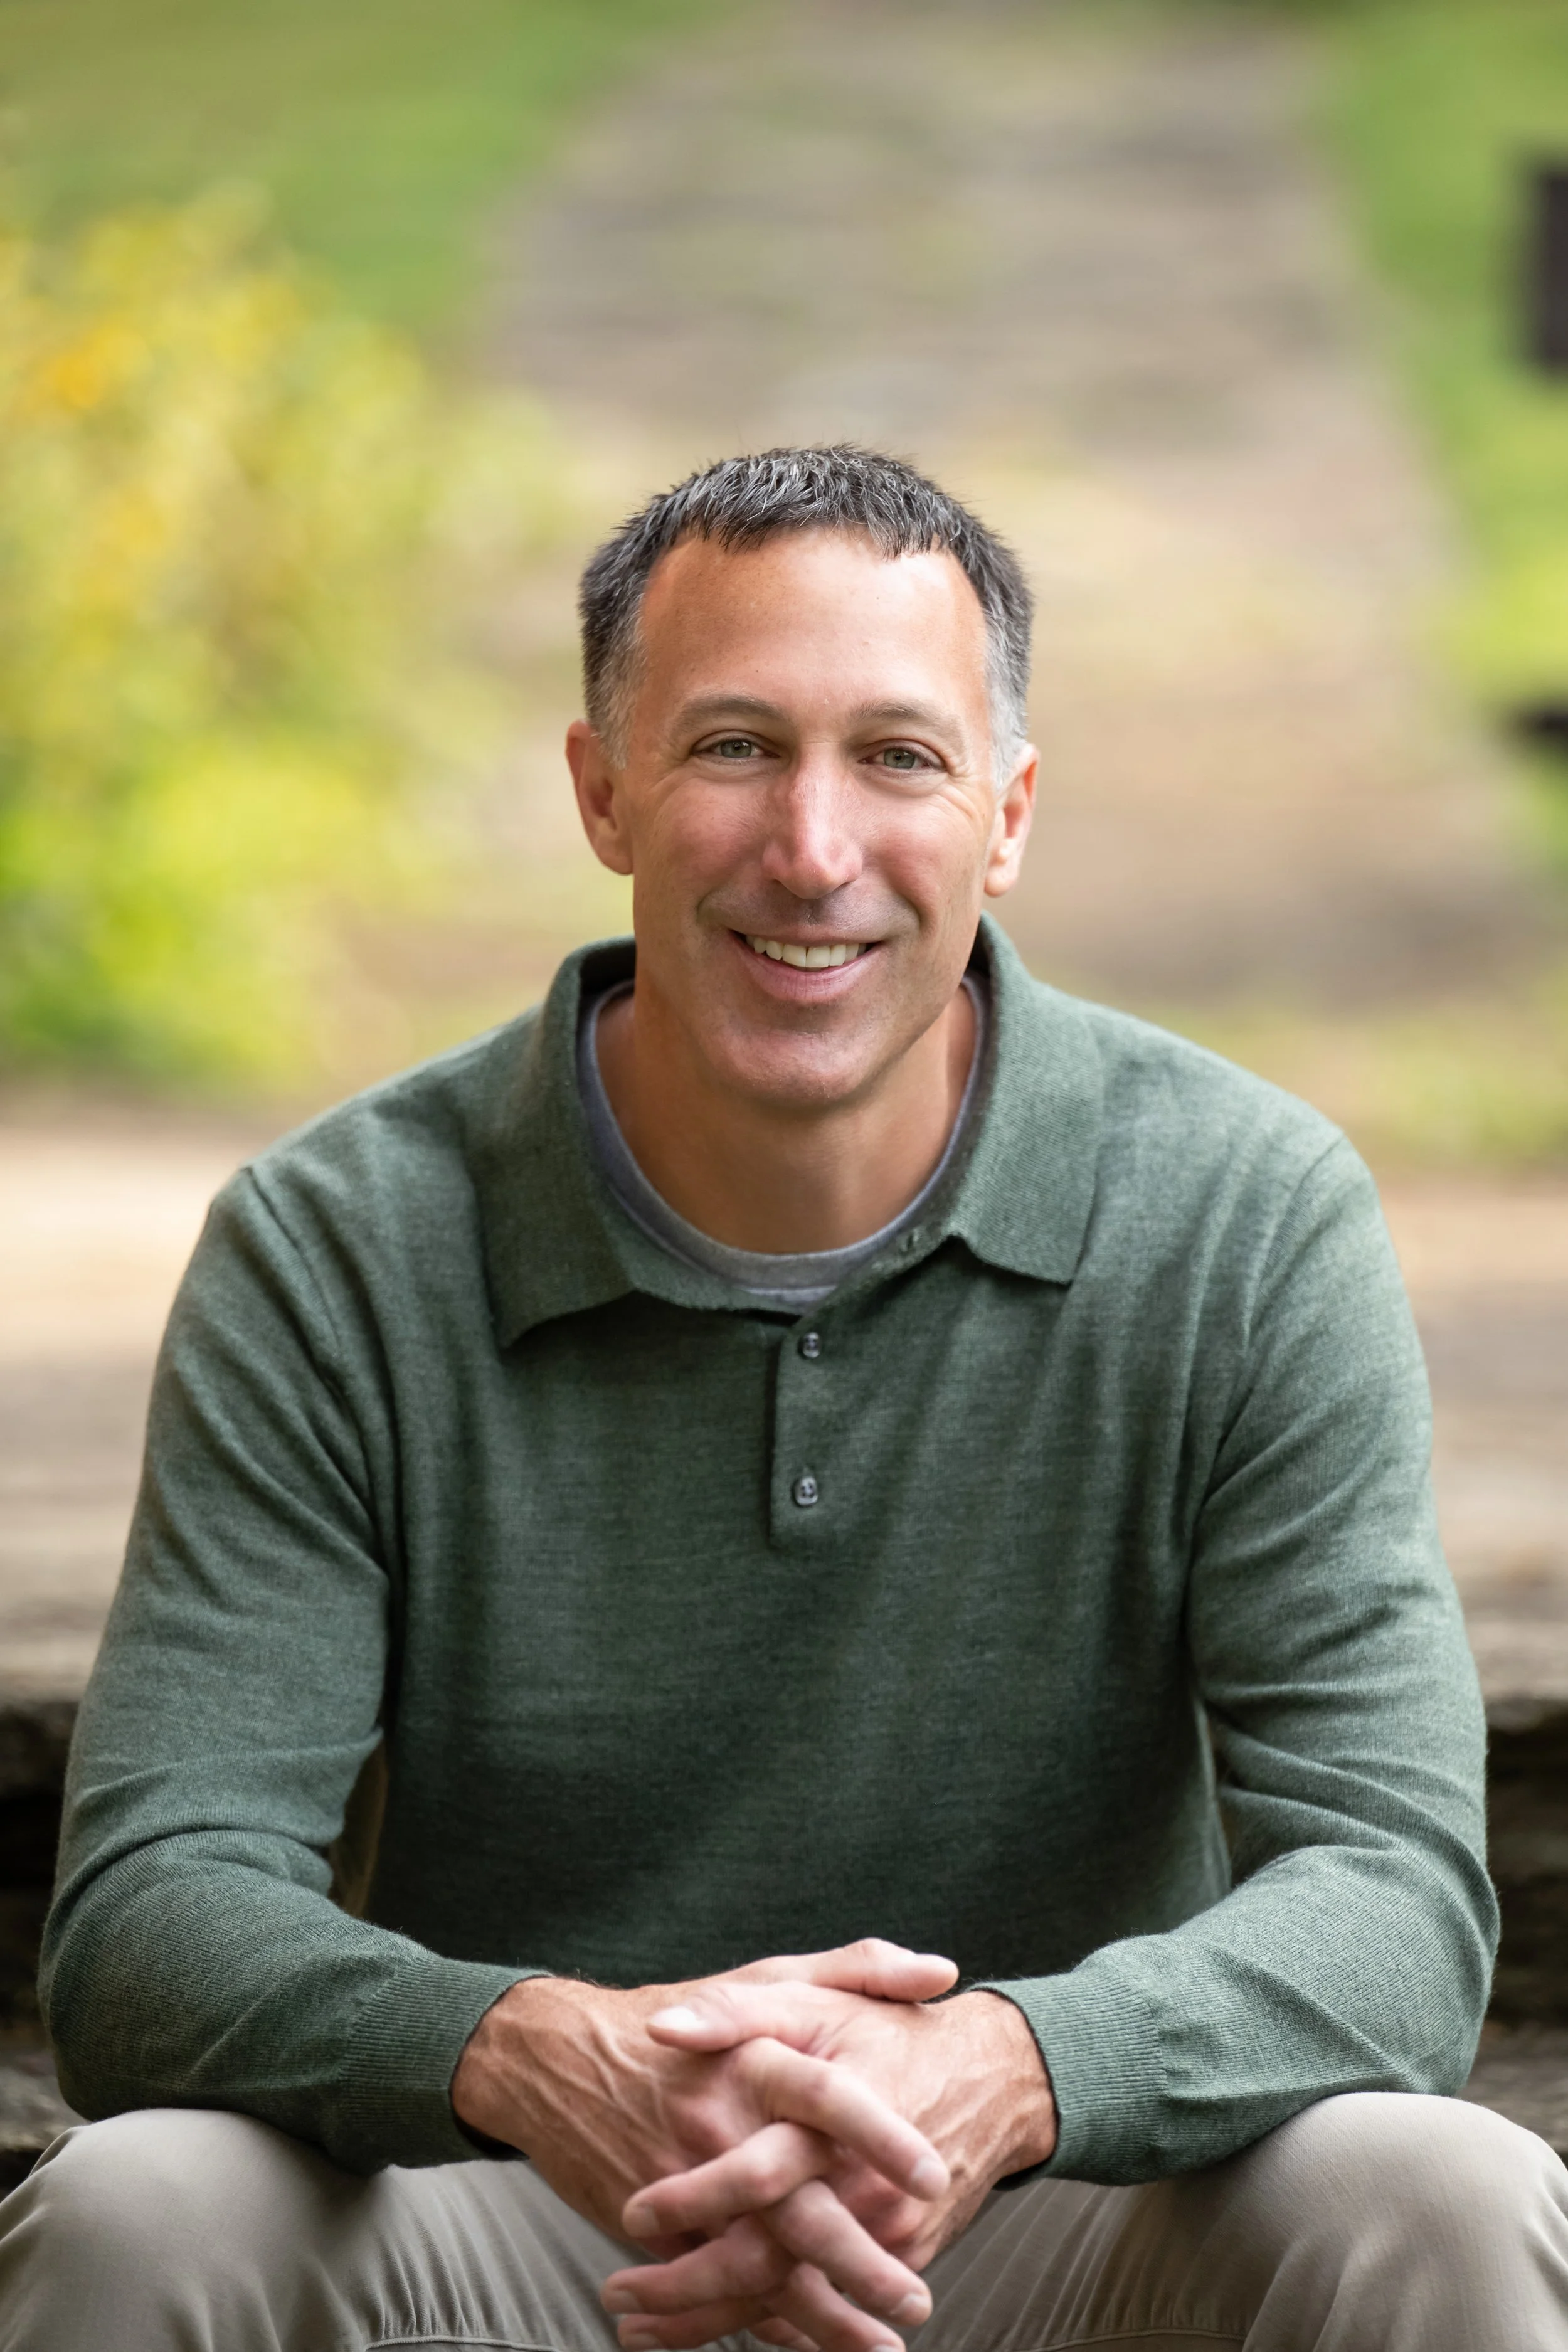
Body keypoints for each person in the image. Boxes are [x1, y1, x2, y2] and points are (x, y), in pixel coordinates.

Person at [1, 445, 1563, 2351]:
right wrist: (524, 2045)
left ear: (1005, 813)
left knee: (1438, 2193)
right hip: (542, 2216)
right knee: (140, 2208)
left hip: (1058, 2214)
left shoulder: (1243, 1216)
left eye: (895, 757)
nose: (811, 848)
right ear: (601, 788)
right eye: (733, 746)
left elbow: (1396, 1896)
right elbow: (152, 1915)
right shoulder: (339, 1244)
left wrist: (1011, 2060)